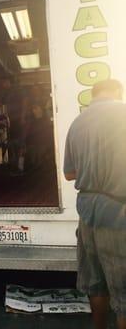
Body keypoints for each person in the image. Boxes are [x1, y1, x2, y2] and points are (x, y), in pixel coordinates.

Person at [64, 79, 126, 329]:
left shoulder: (78, 122)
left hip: (88, 213)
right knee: (123, 290)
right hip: (119, 214)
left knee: (96, 280)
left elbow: (69, 174)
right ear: (118, 93)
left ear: (94, 95)